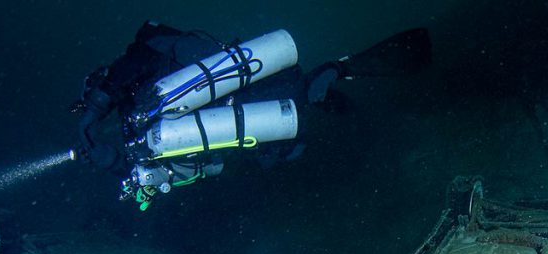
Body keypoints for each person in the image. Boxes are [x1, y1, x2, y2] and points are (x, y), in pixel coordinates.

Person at [72, 21, 430, 210]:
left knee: (302, 100)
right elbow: (162, 175)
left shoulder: (140, 64)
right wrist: (115, 162)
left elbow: (137, 59)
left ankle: (337, 81)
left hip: (245, 104)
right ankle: (337, 84)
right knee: (302, 102)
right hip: (247, 120)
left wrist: (93, 109)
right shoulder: (138, 120)